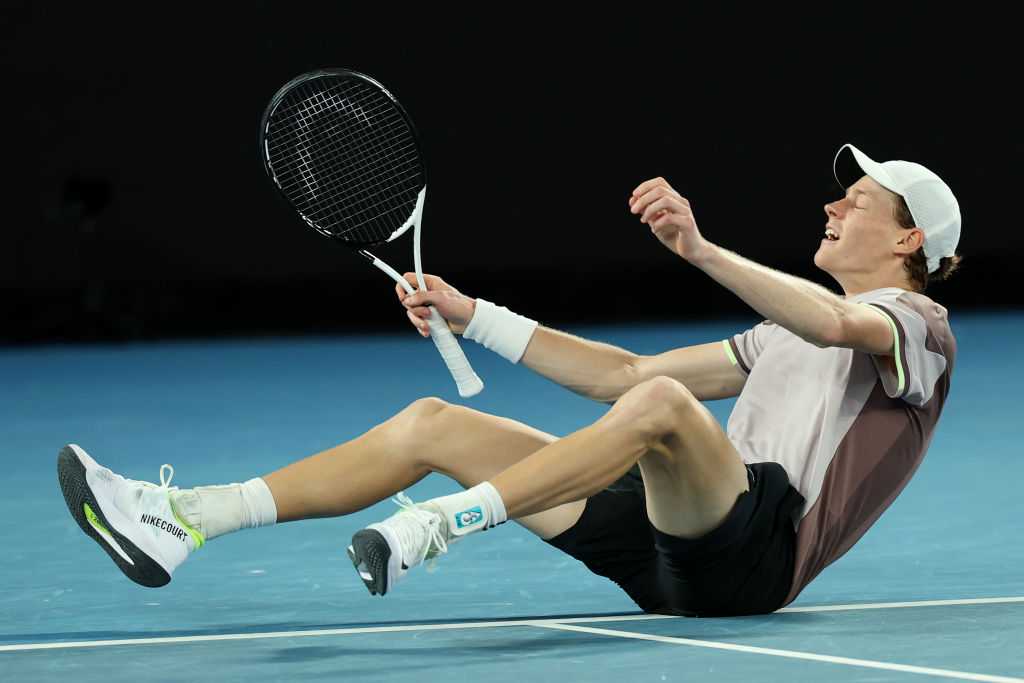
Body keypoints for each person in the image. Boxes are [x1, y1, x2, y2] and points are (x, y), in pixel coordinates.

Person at [58, 143, 961, 617]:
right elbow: (625, 373)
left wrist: (695, 247)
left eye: (859, 201)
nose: (834, 205)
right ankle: (186, 522)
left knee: (666, 409)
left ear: (911, 238)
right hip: (676, 545)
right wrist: (471, 311)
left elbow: (839, 321)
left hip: (756, 558)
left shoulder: (917, 330)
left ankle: (437, 527)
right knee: (433, 424)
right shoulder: (783, 332)